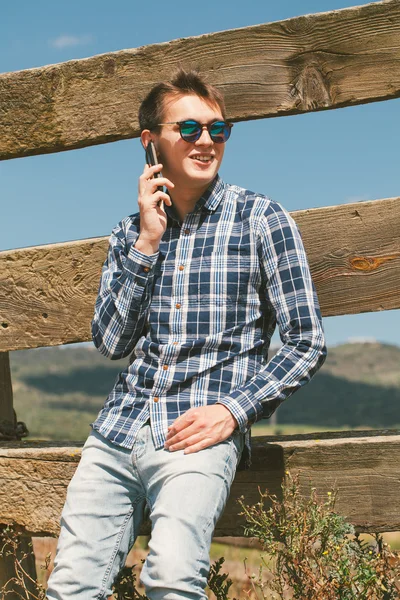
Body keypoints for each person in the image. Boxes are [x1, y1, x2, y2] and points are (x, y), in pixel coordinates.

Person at [46, 69, 327, 600]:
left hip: (200, 432)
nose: (206, 141)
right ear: (151, 142)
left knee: (173, 577)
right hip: (118, 430)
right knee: (70, 587)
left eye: (218, 130)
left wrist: (233, 411)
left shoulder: (261, 219)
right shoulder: (130, 233)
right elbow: (110, 342)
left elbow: (305, 341)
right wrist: (147, 243)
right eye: (191, 128)